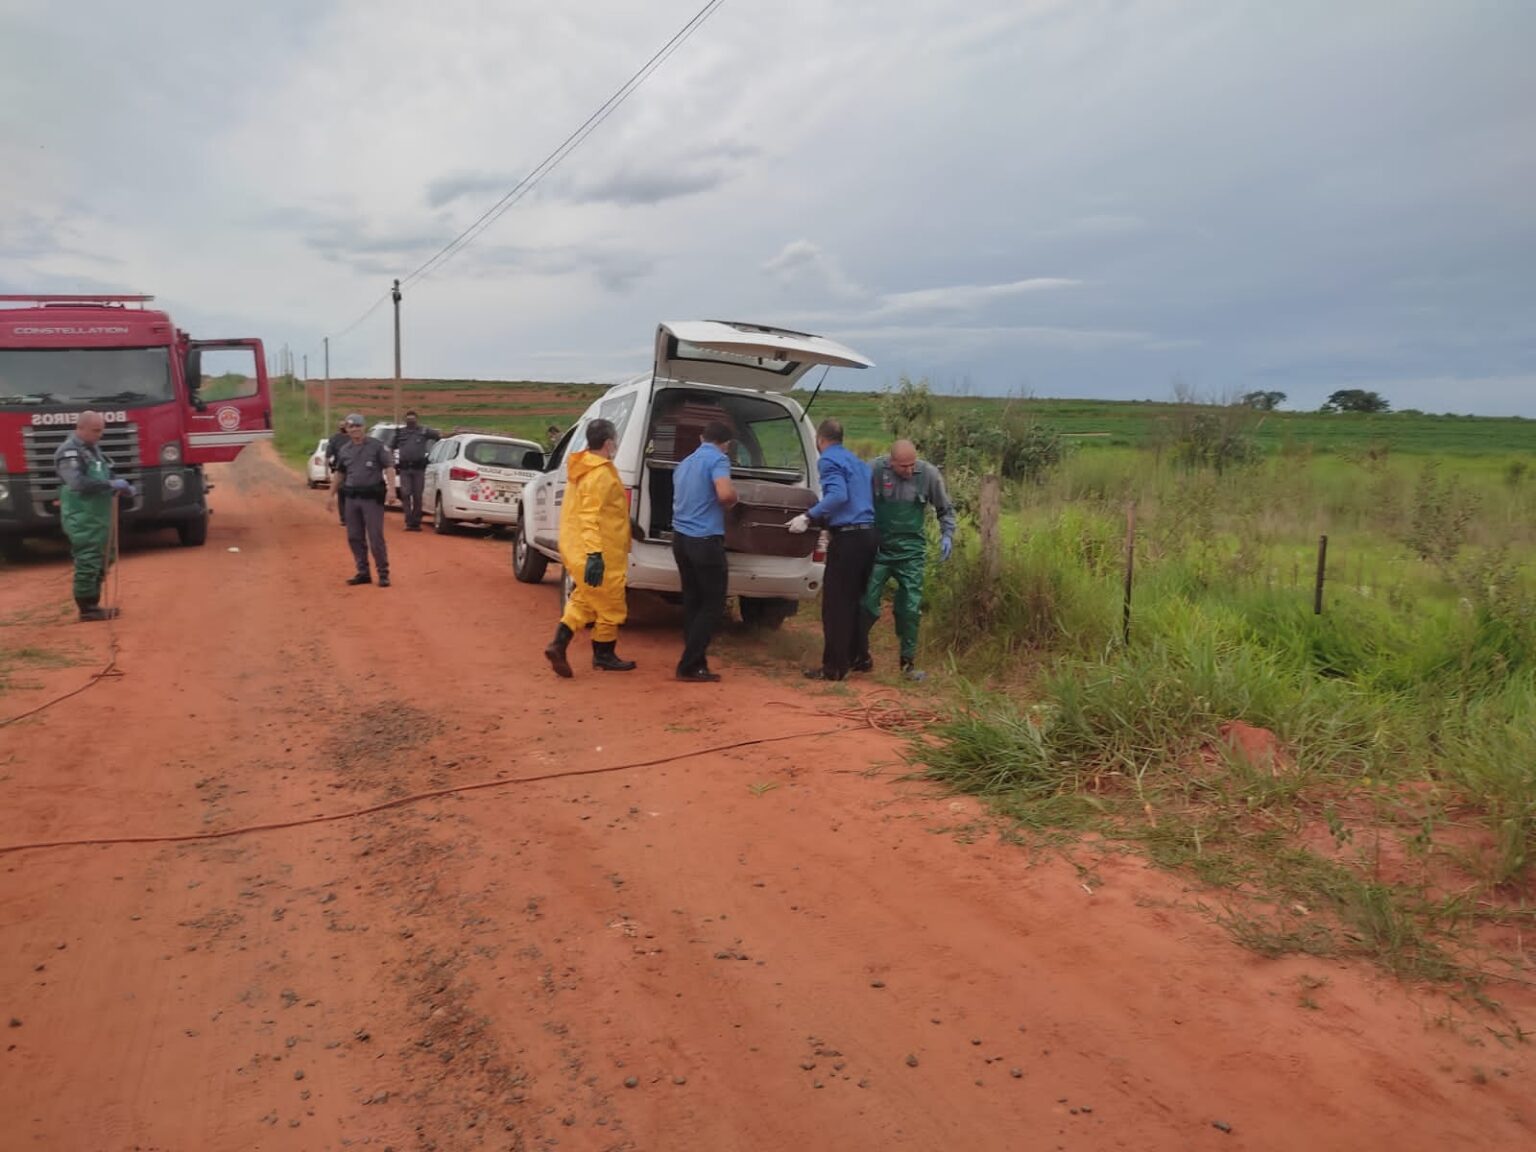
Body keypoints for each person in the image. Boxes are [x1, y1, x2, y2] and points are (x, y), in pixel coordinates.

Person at [854, 439, 956, 681]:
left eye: (912, 465)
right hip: (879, 548)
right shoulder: (874, 470)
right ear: (891, 463)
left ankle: (907, 664)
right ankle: (859, 654)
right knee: (866, 603)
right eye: (903, 466)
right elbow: (856, 500)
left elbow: (945, 509)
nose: (909, 470)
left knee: (909, 608)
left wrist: (947, 535)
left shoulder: (929, 474)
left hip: (911, 552)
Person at [544, 419, 636, 677]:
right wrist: (595, 554)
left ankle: (558, 644)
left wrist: (627, 522)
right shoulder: (600, 473)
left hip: (580, 546)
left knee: (584, 599)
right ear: (608, 443)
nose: (616, 444)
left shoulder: (583, 468)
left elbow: (603, 508)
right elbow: (590, 515)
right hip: (601, 551)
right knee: (612, 605)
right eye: (615, 440)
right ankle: (604, 654)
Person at [787, 418, 876, 680]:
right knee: (855, 601)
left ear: (820, 440)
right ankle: (859, 657)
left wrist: (809, 517)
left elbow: (838, 496)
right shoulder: (858, 463)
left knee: (836, 605)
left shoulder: (828, 460)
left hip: (848, 538)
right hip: (869, 535)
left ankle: (834, 668)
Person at [670, 421, 738, 682]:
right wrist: (734, 498)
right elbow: (723, 493)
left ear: (702, 438)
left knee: (693, 601)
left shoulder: (685, 462)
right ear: (726, 444)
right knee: (713, 603)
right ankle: (688, 664)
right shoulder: (718, 460)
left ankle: (696, 662)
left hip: (681, 539)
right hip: (705, 540)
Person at [53, 411, 133, 622]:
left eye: (101, 430)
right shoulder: (69, 452)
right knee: (88, 558)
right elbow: (77, 483)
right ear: (81, 428)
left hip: (99, 514)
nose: (100, 435)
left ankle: (94, 602)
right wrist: (109, 485)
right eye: (96, 430)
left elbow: (105, 473)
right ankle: (87, 608)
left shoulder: (92, 449)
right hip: (82, 514)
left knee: (106, 555)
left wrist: (120, 483)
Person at [326, 414, 397, 587]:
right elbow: (340, 473)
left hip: (372, 499)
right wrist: (330, 495)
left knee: (375, 537)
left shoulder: (376, 446)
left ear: (364, 427)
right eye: (351, 427)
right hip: (352, 499)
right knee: (354, 537)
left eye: (358, 426)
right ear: (347, 430)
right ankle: (363, 572)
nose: (355, 429)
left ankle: (383, 573)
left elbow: (389, 467)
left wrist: (392, 490)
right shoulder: (345, 449)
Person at [393, 410, 442, 531]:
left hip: (419, 469)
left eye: (413, 419)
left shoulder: (423, 431)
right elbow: (390, 446)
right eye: (409, 419)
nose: (411, 421)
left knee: (417, 496)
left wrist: (431, 455)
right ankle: (409, 520)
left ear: (417, 420)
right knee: (405, 494)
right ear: (405, 420)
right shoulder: (400, 433)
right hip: (404, 468)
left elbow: (438, 437)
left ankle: (416, 522)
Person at [325, 419, 350, 525]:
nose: (342, 427)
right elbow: (327, 456)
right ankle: (344, 518)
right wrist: (326, 472)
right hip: (340, 470)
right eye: (341, 425)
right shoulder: (335, 439)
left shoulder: (353, 437)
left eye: (344, 425)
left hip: (354, 469)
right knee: (342, 494)